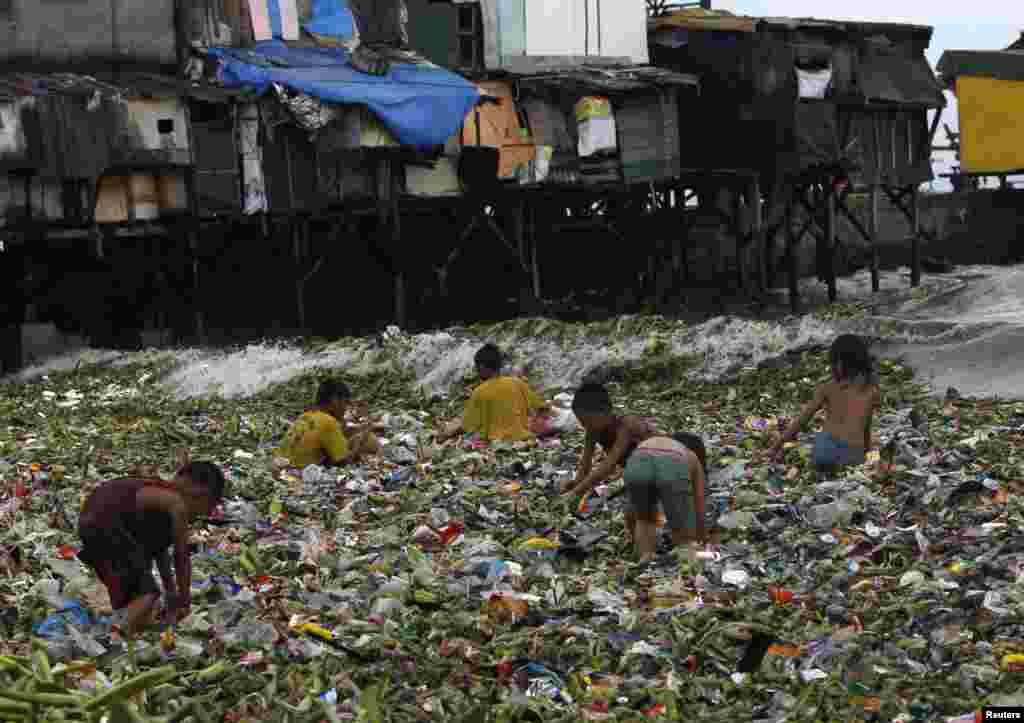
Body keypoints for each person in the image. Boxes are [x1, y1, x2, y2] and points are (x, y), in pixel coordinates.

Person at [76, 462, 226, 637]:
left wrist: (171, 592)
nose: (204, 514)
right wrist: (184, 600)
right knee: (147, 594)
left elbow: (159, 551)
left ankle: (122, 631)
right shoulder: (176, 502)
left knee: (143, 605)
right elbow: (181, 556)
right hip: (107, 525)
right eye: (206, 508)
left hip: (93, 525)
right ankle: (106, 639)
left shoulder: (161, 500)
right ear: (200, 495)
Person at [770, 334, 881, 479]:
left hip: (825, 453)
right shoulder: (872, 391)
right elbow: (865, 427)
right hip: (854, 456)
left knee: (823, 439)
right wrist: (866, 452)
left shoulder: (828, 388)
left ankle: (824, 469)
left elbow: (801, 421)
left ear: (839, 363)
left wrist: (775, 447)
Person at [560, 382, 661, 500]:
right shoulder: (592, 430)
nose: (585, 426)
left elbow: (608, 464)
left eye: (588, 420)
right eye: (582, 422)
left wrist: (575, 493)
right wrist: (576, 483)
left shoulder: (627, 425)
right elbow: (585, 463)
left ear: (606, 411)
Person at [436, 343, 551, 443]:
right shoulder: (517, 383)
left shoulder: (479, 392)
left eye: (477, 367)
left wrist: (446, 435)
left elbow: (466, 426)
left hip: (496, 443)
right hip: (523, 438)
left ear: (482, 367)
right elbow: (542, 407)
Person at [624, 432, 707, 561]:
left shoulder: (654, 443)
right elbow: (699, 507)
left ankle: (645, 563)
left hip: (636, 459)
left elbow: (631, 510)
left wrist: (631, 534)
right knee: (685, 542)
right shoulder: (691, 456)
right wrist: (701, 540)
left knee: (644, 519)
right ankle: (686, 568)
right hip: (672, 462)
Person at [275, 379, 379, 469]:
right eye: (345, 403)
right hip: (299, 472)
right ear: (335, 401)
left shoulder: (305, 416)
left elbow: (337, 431)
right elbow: (344, 462)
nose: (345, 409)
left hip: (281, 465)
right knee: (369, 441)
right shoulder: (329, 422)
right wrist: (362, 438)